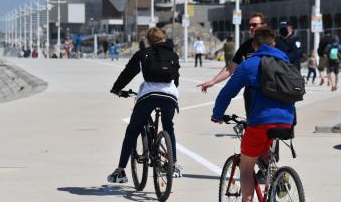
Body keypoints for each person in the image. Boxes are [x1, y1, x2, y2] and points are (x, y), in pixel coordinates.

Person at [211, 27, 295, 202]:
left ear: (254, 45)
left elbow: (227, 93)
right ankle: (278, 180)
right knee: (265, 152)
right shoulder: (286, 62)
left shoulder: (249, 64)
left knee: (246, 166)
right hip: (287, 120)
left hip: (261, 121)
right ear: (274, 43)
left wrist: (217, 114)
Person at [108, 27, 182, 183]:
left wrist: (116, 89)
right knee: (168, 127)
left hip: (148, 95)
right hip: (170, 96)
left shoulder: (143, 54)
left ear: (149, 41)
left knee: (133, 129)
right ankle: (174, 165)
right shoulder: (173, 55)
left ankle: (120, 171)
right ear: (164, 38)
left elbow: (128, 73)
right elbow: (176, 80)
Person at [198, 12, 268, 114]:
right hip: (253, 93)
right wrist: (213, 81)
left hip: (273, 91)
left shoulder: (276, 44)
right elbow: (231, 68)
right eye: (250, 25)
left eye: (254, 25)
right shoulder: (246, 46)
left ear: (264, 25)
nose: (251, 27)